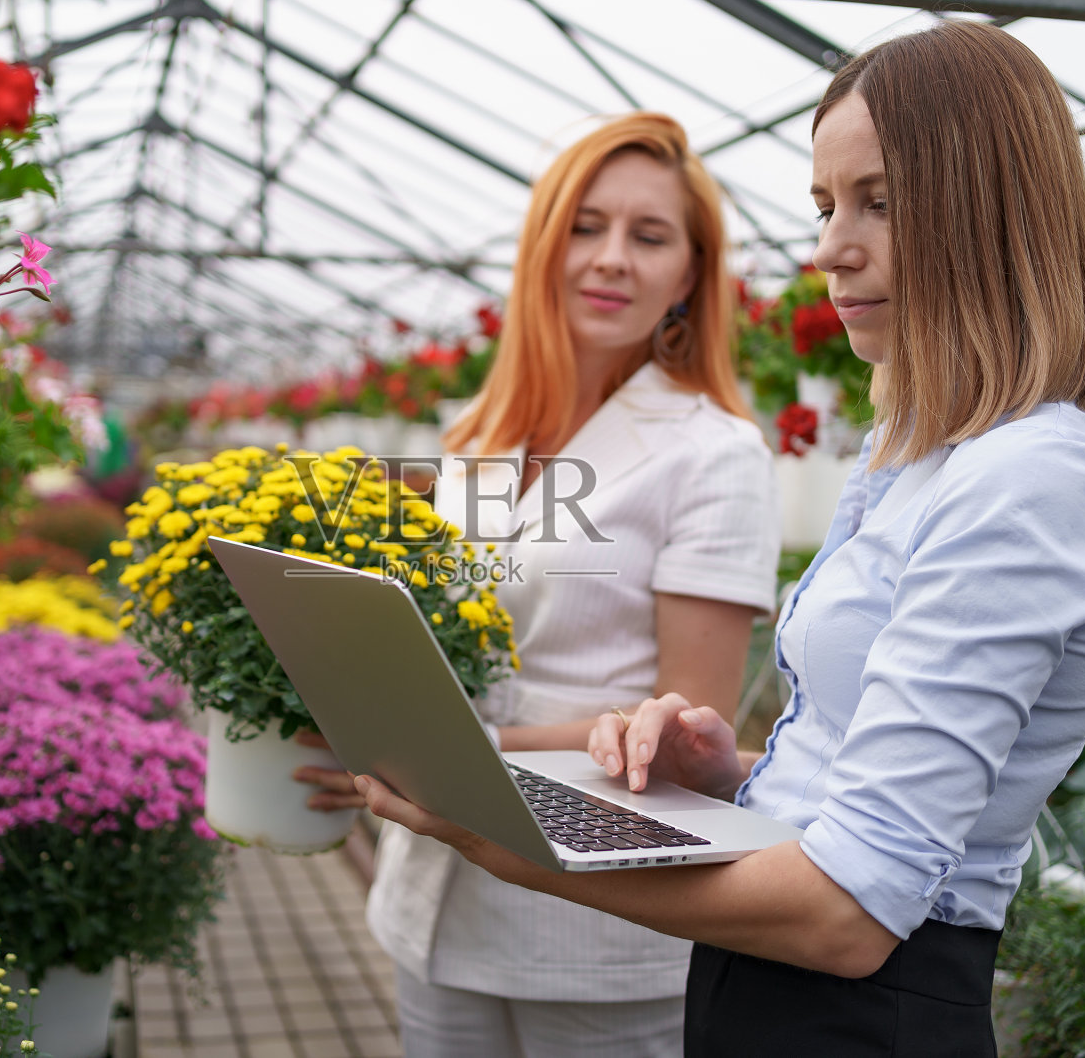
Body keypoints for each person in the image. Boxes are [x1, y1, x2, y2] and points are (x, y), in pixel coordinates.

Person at [354, 21, 1085, 1057]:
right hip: (761, 983)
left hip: (856, 1003)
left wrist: (500, 829)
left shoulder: (1031, 479)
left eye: (880, 201)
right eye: (826, 206)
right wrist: (729, 772)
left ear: (991, 208)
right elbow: (853, 778)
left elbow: (851, 909)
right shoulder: (918, 459)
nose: (830, 249)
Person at [296, 111, 782, 1057]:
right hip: (433, 901)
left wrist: (429, 751)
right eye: (585, 226)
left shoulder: (715, 454)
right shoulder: (485, 435)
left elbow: (686, 727)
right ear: (544, 247)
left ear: (690, 275)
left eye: (650, 236)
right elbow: (447, 631)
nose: (612, 258)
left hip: (595, 924)